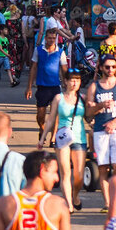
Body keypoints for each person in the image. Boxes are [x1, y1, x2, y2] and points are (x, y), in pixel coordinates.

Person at [86, 53, 116, 209]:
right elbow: (87, 114)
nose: (110, 70)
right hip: (100, 130)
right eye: (107, 67)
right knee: (103, 167)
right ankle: (108, 204)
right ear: (101, 67)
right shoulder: (94, 86)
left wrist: (115, 122)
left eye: (113, 67)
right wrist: (100, 106)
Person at [39, 71, 87, 211]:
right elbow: (51, 119)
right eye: (72, 80)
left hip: (79, 137)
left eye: (77, 80)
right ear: (65, 81)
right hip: (62, 138)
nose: (74, 83)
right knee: (66, 172)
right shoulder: (58, 98)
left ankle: (75, 195)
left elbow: (89, 117)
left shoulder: (82, 98)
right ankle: (69, 205)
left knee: (79, 175)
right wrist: (43, 138)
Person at [26, 27, 69, 136]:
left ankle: (53, 138)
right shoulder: (38, 50)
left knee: (55, 114)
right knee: (40, 115)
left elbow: (64, 69)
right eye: (49, 38)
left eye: (53, 38)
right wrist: (29, 87)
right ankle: (42, 128)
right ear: (45, 38)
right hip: (42, 87)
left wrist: (66, 83)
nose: (51, 40)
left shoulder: (60, 52)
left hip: (55, 87)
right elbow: (33, 68)